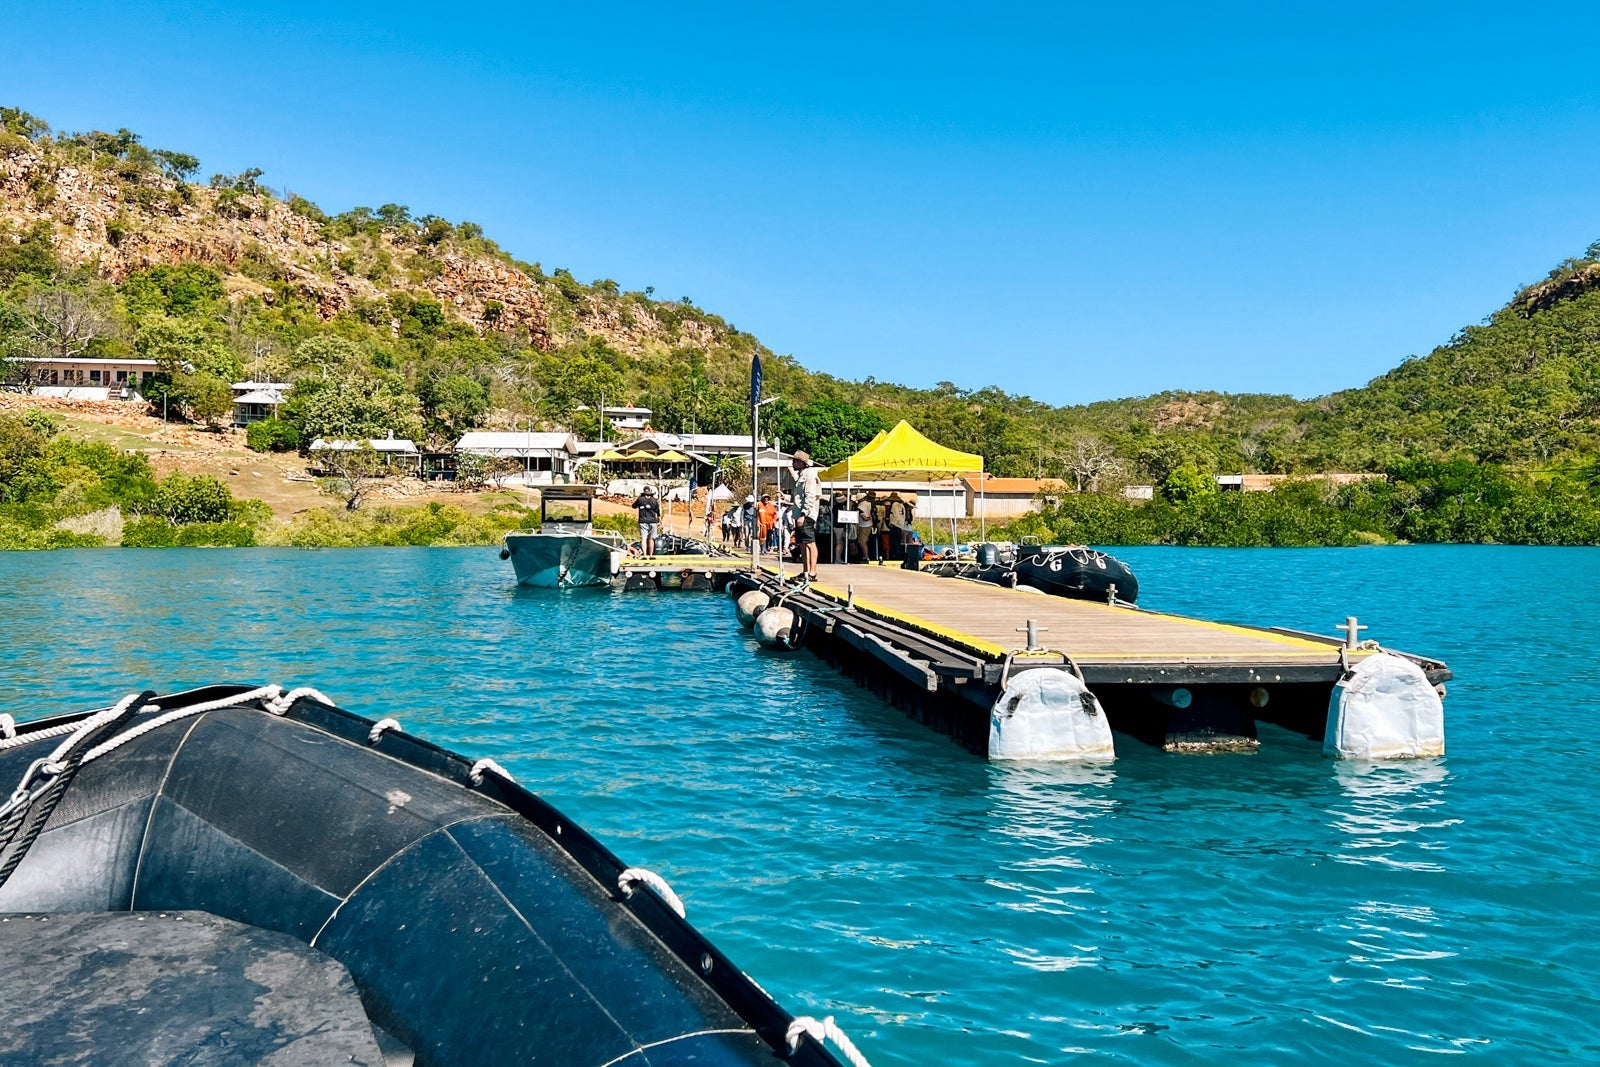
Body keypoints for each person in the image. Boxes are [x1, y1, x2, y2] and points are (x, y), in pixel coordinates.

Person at [791, 450, 822, 580]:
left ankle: (812, 572)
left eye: (795, 461)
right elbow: (799, 498)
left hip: (807, 514)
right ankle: (805, 571)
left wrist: (804, 514)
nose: (793, 463)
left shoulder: (809, 475)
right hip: (799, 514)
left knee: (810, 542)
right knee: (803, 544)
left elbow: (810, 495)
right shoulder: (802, 474)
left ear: (801, 462)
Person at [632, 485, 661, 557]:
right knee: (651, 539)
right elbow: (658, 511)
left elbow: (633, 506)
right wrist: (659, 520)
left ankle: (645, 555)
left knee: (643, 539)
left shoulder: (640, 499)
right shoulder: (654, 500)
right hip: (652, 521)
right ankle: (651, 555)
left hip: (643, 521)